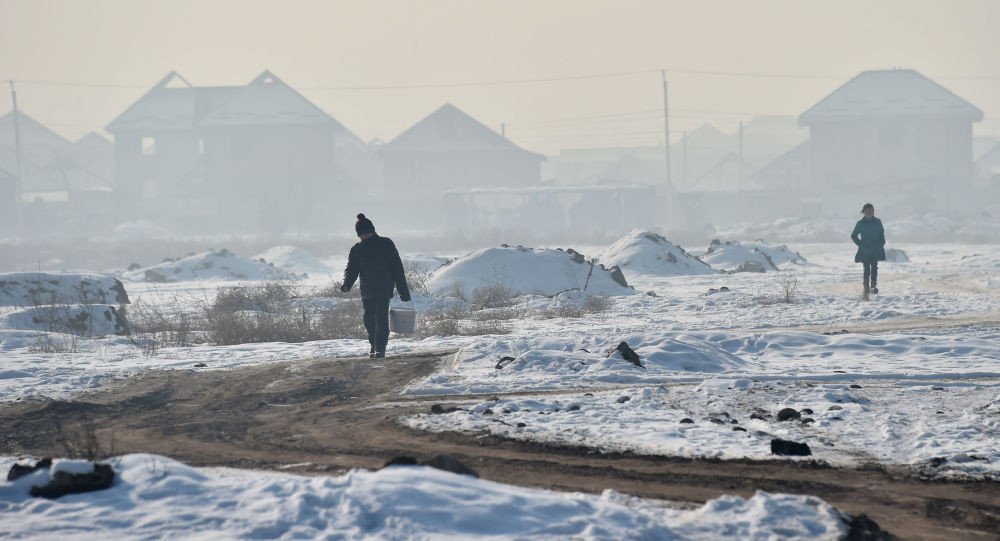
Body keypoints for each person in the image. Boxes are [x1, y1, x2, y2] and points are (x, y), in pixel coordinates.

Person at [340, 213, 410, 358]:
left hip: (384, 287)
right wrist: (347, 284)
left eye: (367, 233)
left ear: (372, 230)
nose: (365, 236)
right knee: (369, 318)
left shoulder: (386, 244)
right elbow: (352, 268)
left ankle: (380, 348)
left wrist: (403, 291)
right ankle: (373, 344)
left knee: (381, 317)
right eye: (361, 234)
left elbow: (397, 268)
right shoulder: (357, 249)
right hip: (367, 289)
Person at [850, 203, 886, 296]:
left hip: (875, 249)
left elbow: (881, 233)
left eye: (870, 212)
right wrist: (860, 245)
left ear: (873, 212)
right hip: (865, 250)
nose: (869, 213)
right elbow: (853, 235)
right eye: (867, 212)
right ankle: (866, 287)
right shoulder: (860, 223)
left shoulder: (878, 222)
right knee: (866, 268)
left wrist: (881, 242)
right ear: (864, 213)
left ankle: (873, 286)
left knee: (874, 267)